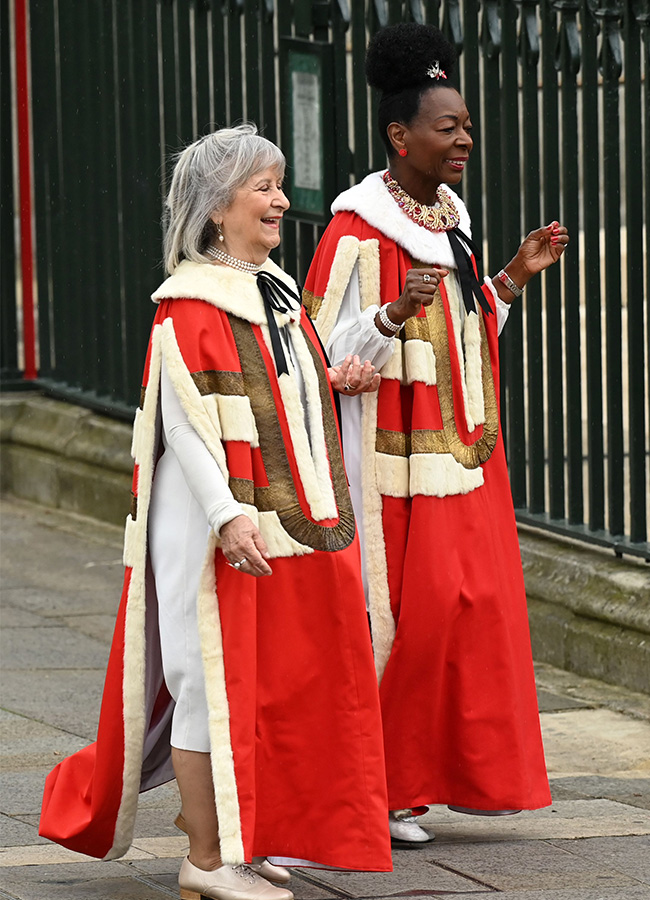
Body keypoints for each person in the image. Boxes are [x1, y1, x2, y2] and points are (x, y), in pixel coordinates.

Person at [39, 124, 392, 899]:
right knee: (213, 678)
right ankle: (205, 858)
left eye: (279, 183)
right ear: (215, 206)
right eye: (263, 187)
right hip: (208, 521)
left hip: (271, 520)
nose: (279, 200)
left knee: (268, 680)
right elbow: (184, 423)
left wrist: (339, 379)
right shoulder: (191, 300)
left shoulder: (278, 290)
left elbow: (273, 401)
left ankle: (247, 837)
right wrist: (228, 512)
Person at [303, 23, 569, 844]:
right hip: (389, 467)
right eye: (447, 126)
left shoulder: (448, 218)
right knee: (402, 623)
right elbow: (317, 348)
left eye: (464, 124)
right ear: (399, 134)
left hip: (463, 456)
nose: (465, 138)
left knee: (467, 615)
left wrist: (512, 278)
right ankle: (378, 787)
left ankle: (420, 782)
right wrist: (387, 313)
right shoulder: (357, 231)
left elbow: (460, 334)